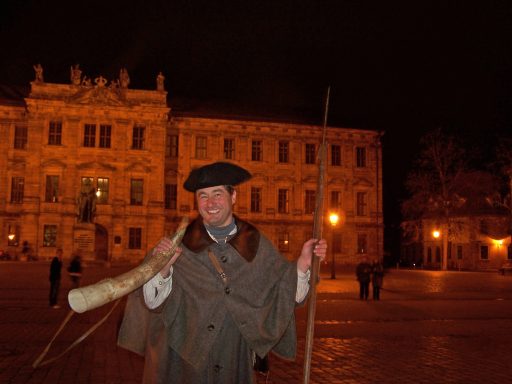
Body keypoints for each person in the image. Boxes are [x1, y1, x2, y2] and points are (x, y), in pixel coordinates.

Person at [118, 161, 327, 383]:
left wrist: (303, 263)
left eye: (217, 194)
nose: (210, 203)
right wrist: (163, 269)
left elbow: (283, 293)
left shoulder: (256, 243)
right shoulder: (178, 244)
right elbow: (152, 303)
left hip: (234, 357)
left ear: (233, 196)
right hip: (183, 363)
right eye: (203, 196)